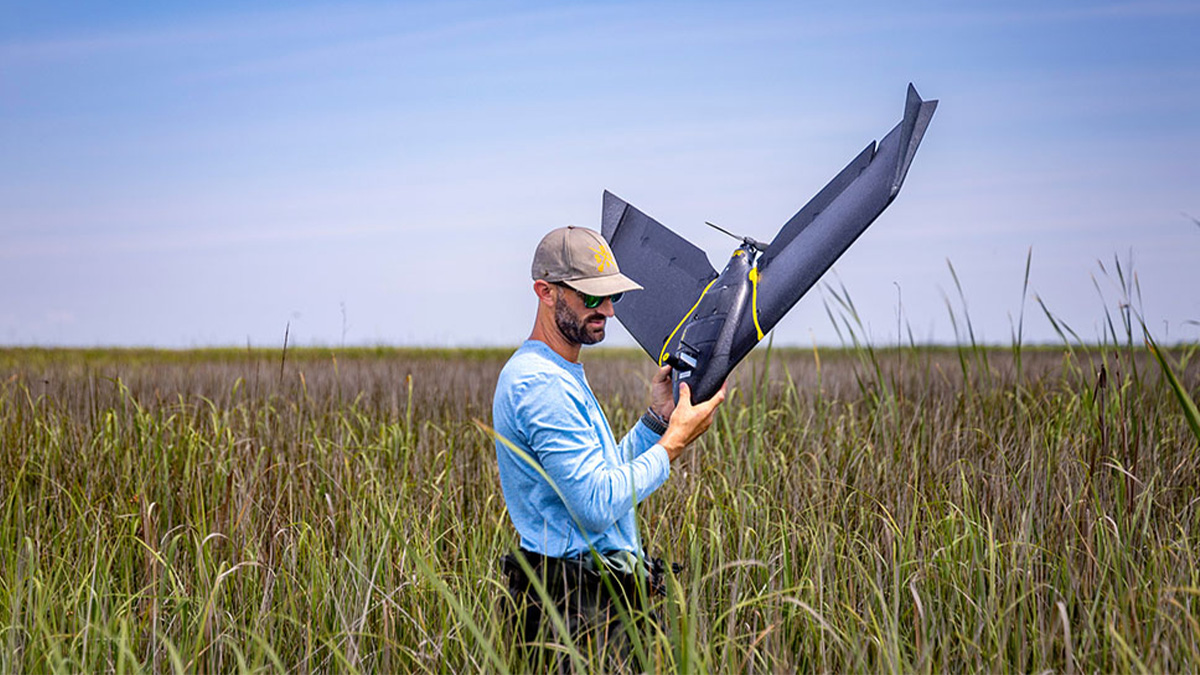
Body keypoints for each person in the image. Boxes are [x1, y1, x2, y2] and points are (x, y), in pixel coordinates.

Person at [492, 225, 726, 668]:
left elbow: (598, 478)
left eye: (612, 296)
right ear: (546, 292)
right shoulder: (540, 384)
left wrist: (656, 421)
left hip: (591, 601)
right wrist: (673, 444)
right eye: (591, 298)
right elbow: (598, 505)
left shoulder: (559, 373)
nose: (609, 311)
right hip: (572, 611)